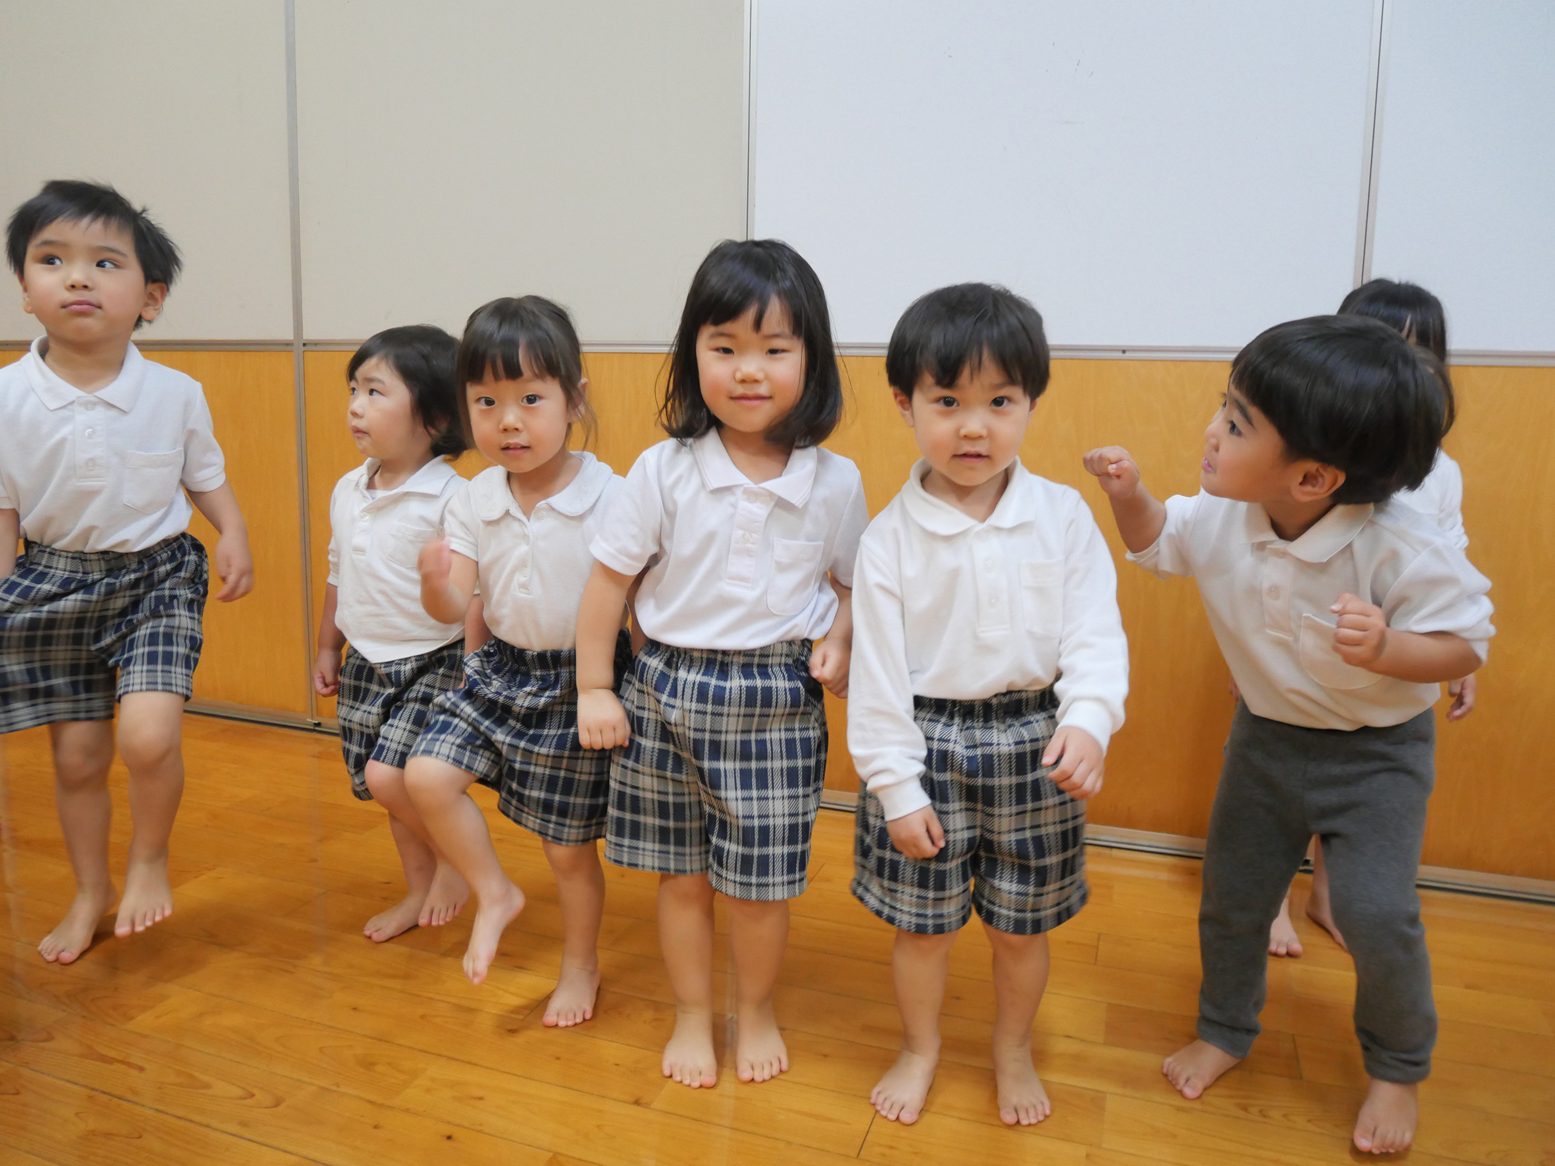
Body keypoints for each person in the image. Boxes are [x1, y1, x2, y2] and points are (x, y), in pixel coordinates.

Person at [1082, 315, 1493, 1155]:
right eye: (1223, 407)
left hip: (1377, 758)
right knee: (1232, 900)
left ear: (1311, 477)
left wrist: (1389, 648)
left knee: (1376, 914)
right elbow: (1157, 542)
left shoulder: (1401, 546)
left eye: (1236, 424)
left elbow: (1463, 644)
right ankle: (1225, 1028)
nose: (1212, 431)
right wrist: (1127, 495)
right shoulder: (1223, 514)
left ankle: (1396, 1066)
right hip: (1265, 742)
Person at [575, 239, 867, 1087]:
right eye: (724, 347)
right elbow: (607, 585)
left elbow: (857, 585)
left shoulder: (835, 481)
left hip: (776, 699)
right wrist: (595, 686)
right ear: (691, 354)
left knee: (760, 887)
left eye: (774, 349)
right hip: (664, 689)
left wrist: (841, 636)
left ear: (810, 361)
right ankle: (692, 1013)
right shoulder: (662, 471)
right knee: (680, 879)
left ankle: (758, 1008)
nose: (748, 370)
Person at [848, 283, 1128, 1126]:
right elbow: (877, 681)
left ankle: (1011, 1048)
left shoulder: (1062, 515)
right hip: (924, 745)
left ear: (1031, 402)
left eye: (999, 402)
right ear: (904, 404)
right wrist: (895, 787)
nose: (973, 428)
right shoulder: (887, 539)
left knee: (1020, 926)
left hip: (1035, 741)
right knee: (922, 927)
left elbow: (1094, 634)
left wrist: (1088, 719)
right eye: (947, 403)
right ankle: (919, 1047)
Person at [0, 179, 254, 963]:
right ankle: (90, 891)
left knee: (148, 737)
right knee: (77, 758)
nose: (78, 277)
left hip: (157, 578)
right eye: (52, 260)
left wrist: (234, 532)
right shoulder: (5, 397)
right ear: (25, 292)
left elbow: (203, 476)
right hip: (52, 580)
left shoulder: (174, 392)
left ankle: (149, 860)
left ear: (150, 297)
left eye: (105, 262)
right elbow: (4, 510)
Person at [405, 296, 626, 1028]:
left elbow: (634, 603)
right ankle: (494, 891)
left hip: (578, 681)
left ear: (574, 400)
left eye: (531, 399)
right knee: (425, 776)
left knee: (567, 851)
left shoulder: (611, 496)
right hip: (499, 671)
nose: (508, 421)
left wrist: (615, 690)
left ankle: (581, 964)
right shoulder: (473, 497)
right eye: (486, 402)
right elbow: (454, 603)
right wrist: (435, 581)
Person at [1268, 278, 1475, 958]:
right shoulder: (1310, 460)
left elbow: (1452, 569)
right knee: (1280, 783)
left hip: (1388, 661)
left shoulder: (1439, 472)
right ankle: (1272, 899)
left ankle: (1327, 893)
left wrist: (1458, 652)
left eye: (1419, 357)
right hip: (1299, 653)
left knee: (1359, 790)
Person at [313, 325, 471, 943]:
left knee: (391, 776)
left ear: (435, 417)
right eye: (354, 390)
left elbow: (470, 597)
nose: (356, 406)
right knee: (387, 791)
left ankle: (459, 865)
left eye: (375, 392)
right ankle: (418, 888)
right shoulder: (348, 489)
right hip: (367, 660)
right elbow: (337, 572)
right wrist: (327, 644)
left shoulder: (453, 499)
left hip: (436, 660)